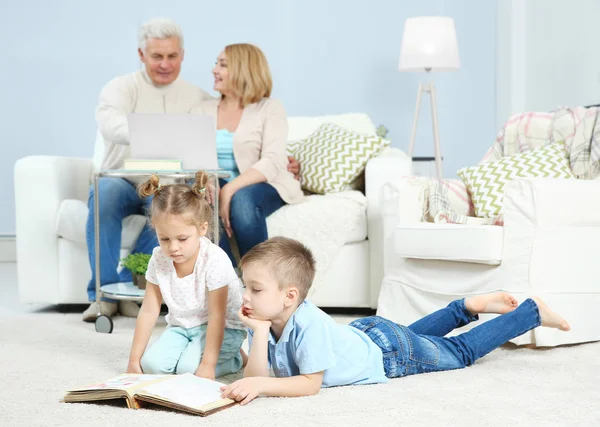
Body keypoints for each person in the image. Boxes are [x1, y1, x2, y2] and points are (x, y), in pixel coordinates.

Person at [83, 19, 301, 322]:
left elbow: (260, 153)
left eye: (172, 56)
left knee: (174, 210)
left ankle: (256, 286)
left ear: (181, 55)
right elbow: (114, 126)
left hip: (173, 184)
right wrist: (198, 169)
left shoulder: (199, 97)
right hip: (125, 176)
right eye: (157, 56)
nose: (164, 64)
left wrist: (233, 181)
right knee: (109, 195)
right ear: (141, 54)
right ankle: (106, 295)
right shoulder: (123, 89)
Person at [220, 237, 571, 405]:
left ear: (290, 296)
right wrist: (261, 333)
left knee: (459, 353)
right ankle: (466, 306)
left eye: (255, 288)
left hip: (389, 355)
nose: (245, 296)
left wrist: (260, 385)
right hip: (367, 335)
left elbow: (310, 384)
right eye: (244, 286)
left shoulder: (308, 324)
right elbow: (257, 379)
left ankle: (530, 311)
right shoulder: (267, 320)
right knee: (412, 336)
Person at [191, 44, 304, 266]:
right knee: (202, 196)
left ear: (244, 70)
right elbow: (193, 157)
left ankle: (260, 277)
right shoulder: (200, 110)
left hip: (263, 183)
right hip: (217, 182)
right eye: (216, 63)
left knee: (242, 200)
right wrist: (207, 181)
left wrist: (230, 189)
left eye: (222, 65)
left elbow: (273, 161)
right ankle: (225, 277)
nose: (214, 70)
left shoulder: (269, 108)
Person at [126, 171, 246, 379]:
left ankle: (237, 357)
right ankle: (192, 356)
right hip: (182, 327)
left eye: (182, 239)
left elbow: (217, 315)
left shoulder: (214, 259)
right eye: (164, 239)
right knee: (151, 366)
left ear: (202, 229)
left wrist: (208, 365)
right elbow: (149, 309)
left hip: (224, 327)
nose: (173, 248)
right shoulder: (158, 258)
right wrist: (133, 360)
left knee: (187, 370)